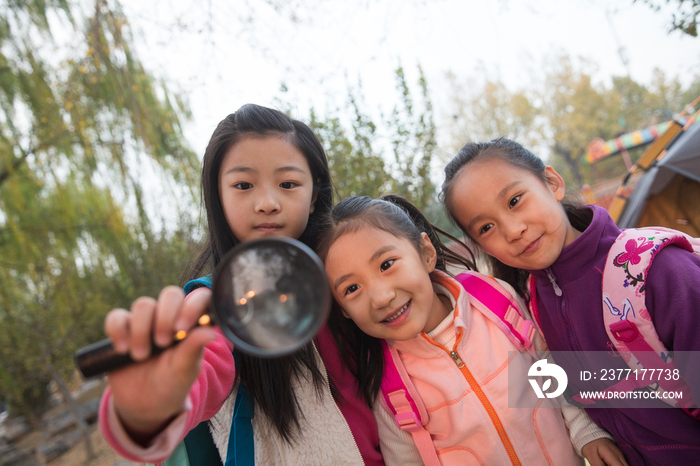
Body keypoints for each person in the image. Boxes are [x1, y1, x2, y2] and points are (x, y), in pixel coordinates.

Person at [97, 104, 416, 465]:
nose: (267, 203)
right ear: (218, 196)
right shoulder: (211, 302)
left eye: (288, 184)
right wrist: (150, 404)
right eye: (244, 185)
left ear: (314, 195)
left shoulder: (345, 277)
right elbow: (196, 372)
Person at [440, 137, 700, 465]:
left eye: (515, 200)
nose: (512, 230)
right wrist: (588, 434)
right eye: (487, 227)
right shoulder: (533, 302)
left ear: (552, 183)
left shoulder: (657, 271)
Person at [317, 194, 627, 466]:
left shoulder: (493, 300)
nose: (381, 297)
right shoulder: (389, 384)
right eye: (352, 288)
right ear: (343, 309)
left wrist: (585, 432)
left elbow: (545, 369)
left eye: (386, 264)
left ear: (425, 253)